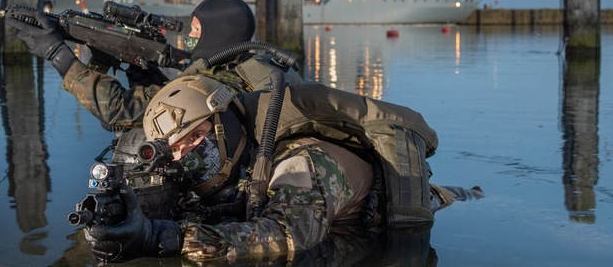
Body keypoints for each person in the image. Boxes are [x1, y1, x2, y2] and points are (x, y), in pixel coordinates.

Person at [83, 75, 483, 262]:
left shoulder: (302, 160)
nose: (187, 152)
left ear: (225, 123)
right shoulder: (244, 157)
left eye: (195, 136)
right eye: (176, 148)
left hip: (446, 206)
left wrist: (163, 240)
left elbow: (290, 234)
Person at [5, 0, 303, 132]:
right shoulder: (248, 64)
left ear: (219, 32)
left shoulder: (221, 80)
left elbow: (120, 112)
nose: (191, 37)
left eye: (198, 30)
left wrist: (59, 56)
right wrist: (143, 72)